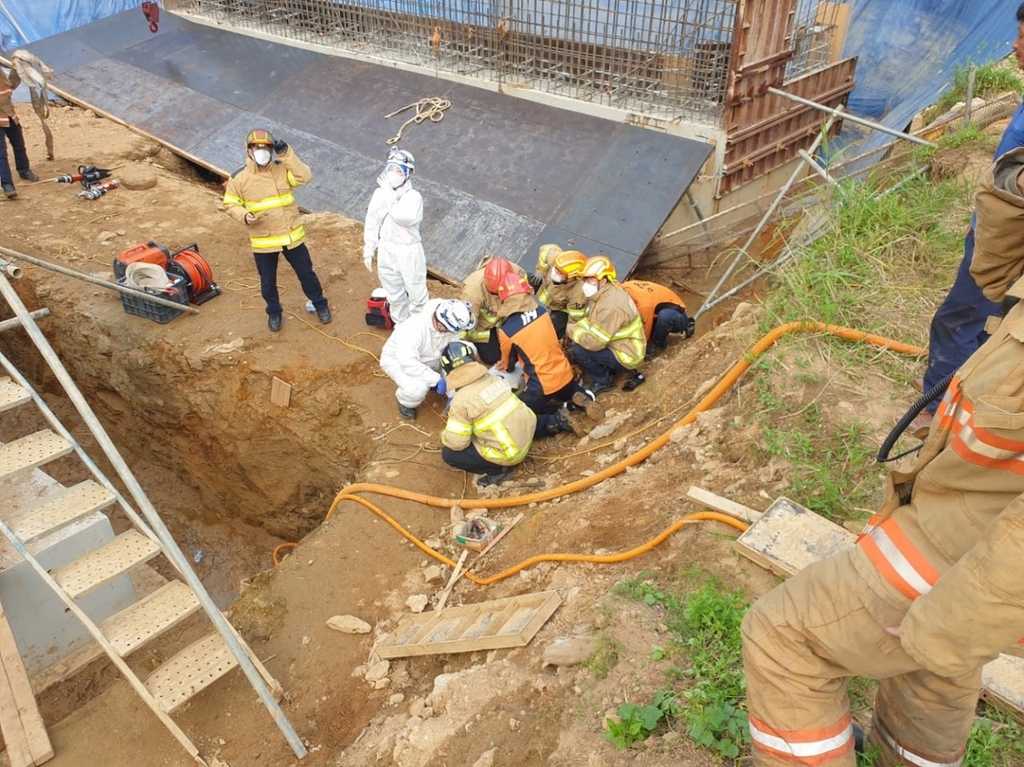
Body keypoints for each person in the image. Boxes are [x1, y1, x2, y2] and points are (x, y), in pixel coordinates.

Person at [739, 147, 1024, 767]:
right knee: (931, 665)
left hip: (979, 553)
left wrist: (947, 623)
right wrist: (1017, 187)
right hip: (964, 515)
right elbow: (996, 278)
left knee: (783, 637)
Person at [917, 1, 1024, 431]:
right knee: (987, 323)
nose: (1014, 46)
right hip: (998, 230)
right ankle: (971, 394)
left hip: (1008, 244)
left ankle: (939, 412)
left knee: (960, 317)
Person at [222, 129, 331, 332]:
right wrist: (244, 215)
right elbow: (230, 204)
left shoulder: (282, 168)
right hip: (264, 239)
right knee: (268, 282)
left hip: (291, 236)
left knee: (307, 274)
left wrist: (287, 154)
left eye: (266, 148)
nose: (262, 151)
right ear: (249, 151)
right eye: (257, 147)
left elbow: (304, 176)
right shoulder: (239, 178)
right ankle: (274, 312)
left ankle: (320, 304)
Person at [493, 271, 601, 433]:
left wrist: (505, 364)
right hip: (565, 375)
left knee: (517, 416)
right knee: (568, 390)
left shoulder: (507, 330)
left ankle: (556, 421)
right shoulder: (542, 312)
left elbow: (507, 366)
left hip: (541, 387)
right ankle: (578, 397)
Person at [438, 340, 537, 487]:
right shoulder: (493, 378)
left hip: (511, 453)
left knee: (449, 455)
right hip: (528, 434)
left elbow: (457, 444)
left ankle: (500, 471)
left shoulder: (460, 402)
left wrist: (444, 436)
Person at [380, 297, 476, 420]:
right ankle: (405, 402)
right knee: (417, 389)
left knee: (469, 349)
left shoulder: (450, 324)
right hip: (398, 361)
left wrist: (453, 392)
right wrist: (436, 380)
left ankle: (451, 393)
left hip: (431, 357)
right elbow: (407, 362)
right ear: (441, 325)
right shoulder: (413, 329)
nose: (452, 334)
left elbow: (452, 350)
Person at [363, 146, 427, 324]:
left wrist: (390, 195)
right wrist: (369, 246)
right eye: (390, 168)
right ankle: (401, 326)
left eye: (398, 170)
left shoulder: (413, 197)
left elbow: (403, 218)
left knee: (417, 295)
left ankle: (419, 330)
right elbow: (373, 219)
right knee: (394, 293)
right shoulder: (380, 193)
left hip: (408, 251)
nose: (392, 173)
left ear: (407, 174)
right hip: (386, 249)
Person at [567, 255, 646, 395]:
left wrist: (571, 330)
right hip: (623, 344)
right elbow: (595, 323)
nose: (585, 284)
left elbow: (594, 344)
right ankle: (608, 367)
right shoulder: (606, 294)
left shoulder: (609, 306)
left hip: (628, 354)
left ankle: (604, 381)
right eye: (584, 279)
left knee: (579, 350)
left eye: (590, 280)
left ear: (603, 281)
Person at [460, 255, 528, 365]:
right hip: (485, 326)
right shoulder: (472, 293)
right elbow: (465, 324)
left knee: (518, 349)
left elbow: (524, 301)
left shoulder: (518, 274)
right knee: (492, 357)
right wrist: (463, 346)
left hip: (508, 315)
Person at [621, 279, 695, 359]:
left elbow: (646, 328)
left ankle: (658, 343)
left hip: (677, 314)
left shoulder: (644, 305)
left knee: (664, 317)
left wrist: (638, 347)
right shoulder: (624, 286)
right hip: (658, 309)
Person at [0, 62, 39, 199]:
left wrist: (16, 69)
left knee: (19, 145)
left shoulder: (1, 73)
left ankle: (24, 170)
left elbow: (11, 85)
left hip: (9, 115)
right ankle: (7, 185)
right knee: (1, 154)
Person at [534, 246, 588, 339]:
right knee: (521, 277)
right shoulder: (557, 260)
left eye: (560, 273)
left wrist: (569, 332)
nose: (555, 272)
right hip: (545, 288)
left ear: (572, 276)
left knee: (551, 333)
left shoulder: (578, 293)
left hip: (560, 309)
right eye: (556, 268)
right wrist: (540, 272)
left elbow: (575, 317)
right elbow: (546, 250)